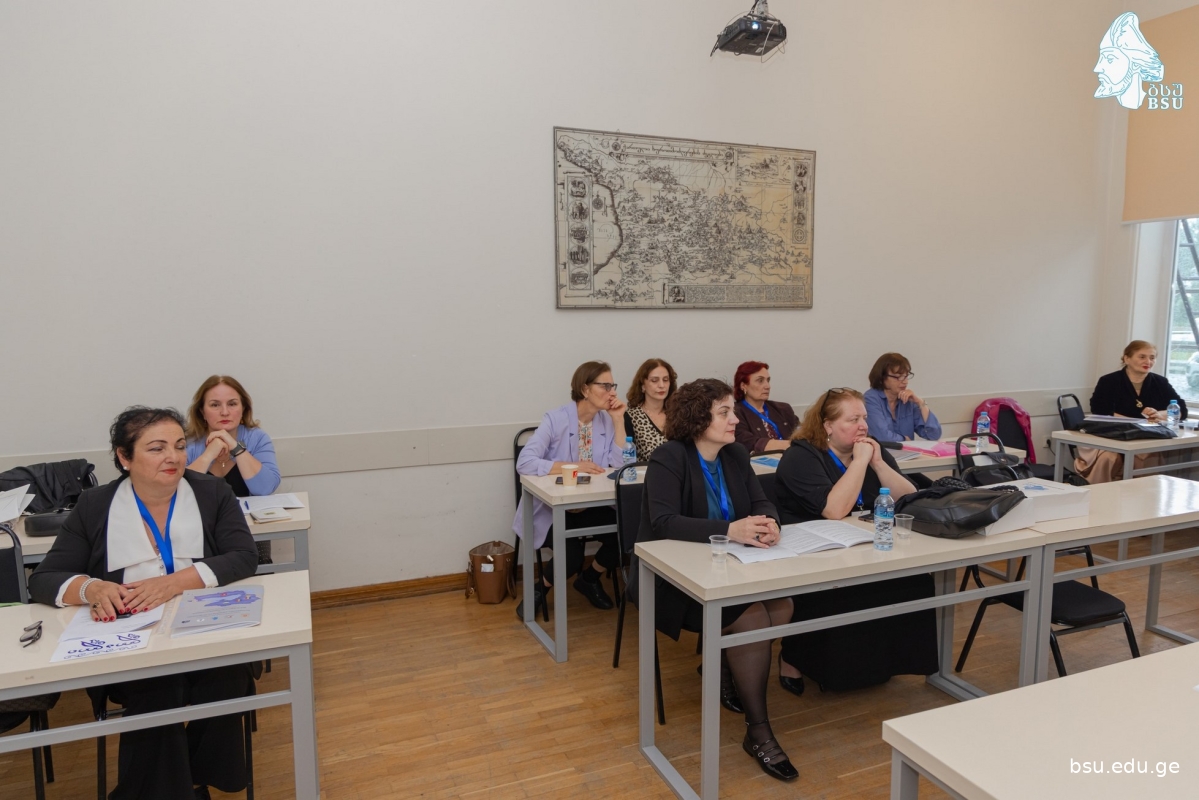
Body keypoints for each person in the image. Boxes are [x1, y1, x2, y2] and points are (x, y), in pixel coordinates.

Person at [28, 407, 259, 800]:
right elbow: (44, 579)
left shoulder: (211, 493)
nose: (173, 457)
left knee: (228, 676)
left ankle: (193, 782)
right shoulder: (95, 505)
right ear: (124, 457)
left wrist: (173, 583)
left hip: (203, 628)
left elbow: (243, 555)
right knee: (158, 688)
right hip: (132, 641)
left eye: (180, 446)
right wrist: (91, 588)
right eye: (156, 448)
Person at [630, 378, 798, 782]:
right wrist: (730, 530)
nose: (734, 419)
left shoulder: (736, 455)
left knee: (782, 605)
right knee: (753, 617)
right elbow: (664, 522)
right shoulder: (670, 457)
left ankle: (723, 665)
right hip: (672, 579)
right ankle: (758, 732)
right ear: (697, 418)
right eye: (724, 412)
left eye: (732, 411)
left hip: (729, 569)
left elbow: (761, 501)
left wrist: (770, 523)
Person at [773, 388, 937, 692]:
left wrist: (878, 463)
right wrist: (860, 463)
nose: (863, 426)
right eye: (853, 420)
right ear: (827, 426)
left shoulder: (870, 449)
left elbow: (909, 497)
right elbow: (834, 510)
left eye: (864, 418)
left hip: (862, 544)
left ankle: (883, 663)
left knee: (913, 580)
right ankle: (795, 657)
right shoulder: (802, 456)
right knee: (844, 590)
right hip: (813, 552)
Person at [512, 361, 627, 618]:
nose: (612, 392)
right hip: (553, 508)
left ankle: (589, 579)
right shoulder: (556, 419)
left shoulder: (606, 421)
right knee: (572, 556)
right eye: (605, 386)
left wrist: (619, 420)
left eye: (613, 386)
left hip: (590, 505)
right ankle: (539, 591)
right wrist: (574, 466)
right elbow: (525, 462)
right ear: (585, 389)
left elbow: (619, 466)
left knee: (626, 532)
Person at [185, 376, 281, 564]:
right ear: (202, 411)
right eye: (215, 405)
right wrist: (209, 454)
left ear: (243, 408)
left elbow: (265, 488)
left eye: (232, 404)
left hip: (249, 532)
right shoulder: (187, 443)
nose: (224, 412)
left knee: (259, 566)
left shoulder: (257, 438)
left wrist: (236, 448)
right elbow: (177, 491)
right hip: (200, 534)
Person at [1077, 340, 1188, 482]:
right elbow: (1100, 410)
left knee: (1146, 455)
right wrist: (1137, 421)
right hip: (1110, 436)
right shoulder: (1109, 381)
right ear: (1127, 359)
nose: (1148, 361)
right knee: (1109, 457)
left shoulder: (1160, 382)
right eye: (1142, 357)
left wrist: (1159, 414)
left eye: (1152, 357)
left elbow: (1181, 409)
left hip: (1145, 438)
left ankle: (1142, 493)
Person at [864, 353, 942, 442]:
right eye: (898, 377)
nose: (905, 382)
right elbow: (882, 436)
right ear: (882, 377)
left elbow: (934, 435)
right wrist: (904, 439)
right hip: (882, 451)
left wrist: (921, 403)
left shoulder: (907, 400)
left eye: (906, 376)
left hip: (907, 451)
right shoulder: (870, 399)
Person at [732, 361, 798, 453]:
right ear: (743, 386)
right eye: (760, 381)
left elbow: (802, 433)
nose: (767, 386)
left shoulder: (783, 409)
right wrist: (793, 445)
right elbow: (746, 441)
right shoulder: (735, 412)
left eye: (768, 380)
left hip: (791, 457)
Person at [623, 358, 677, 461]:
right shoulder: (631, 416)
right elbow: (626, 457)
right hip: (646, 470)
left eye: (665, 380)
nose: (661, 385)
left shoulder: (678, 413)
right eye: (654, 380)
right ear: (643, 385)